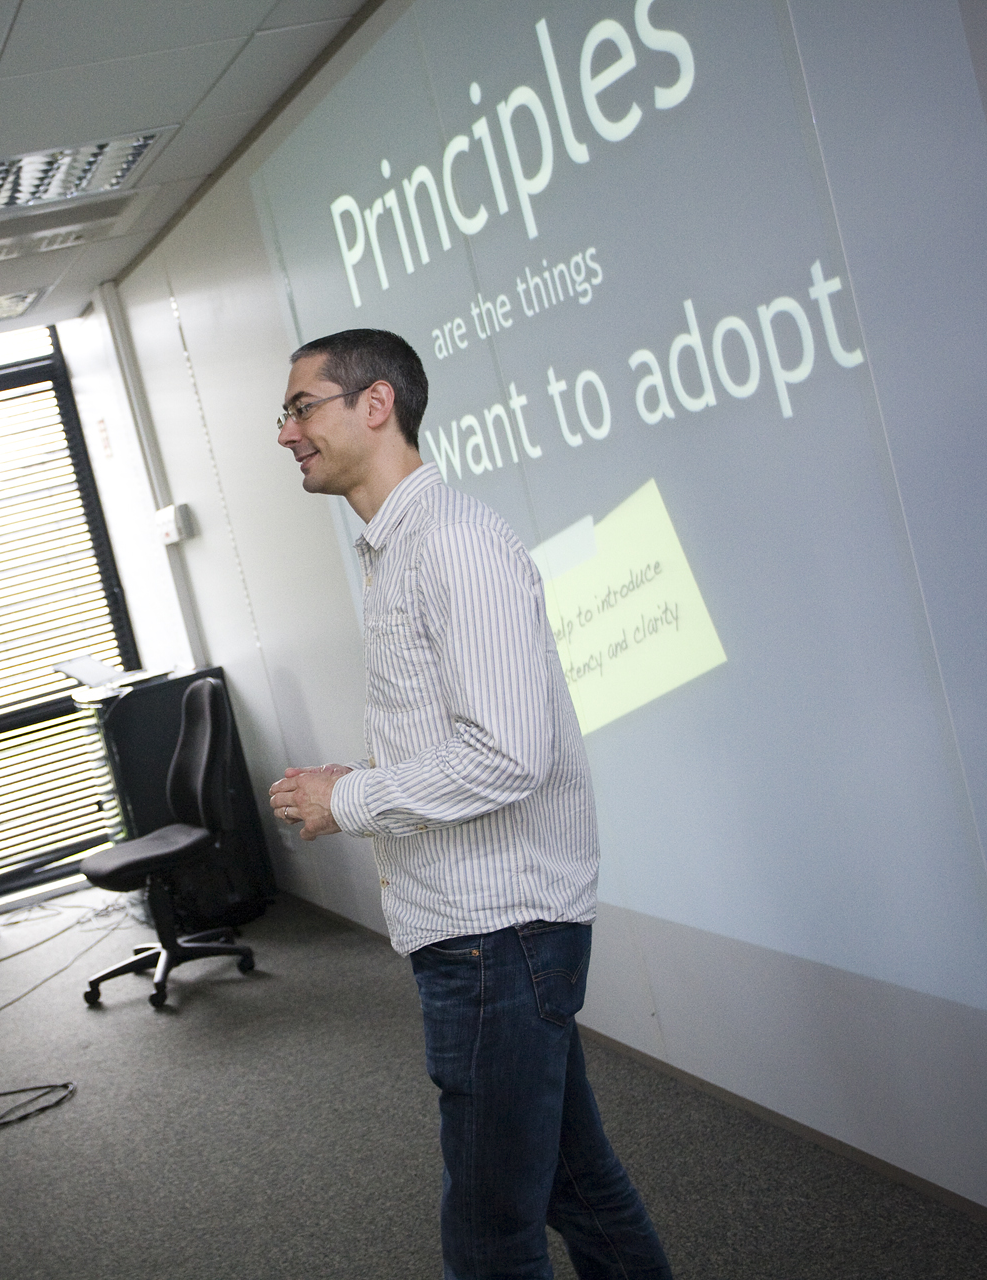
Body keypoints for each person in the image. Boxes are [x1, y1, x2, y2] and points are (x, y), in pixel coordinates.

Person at [266, 329, 672, 1280]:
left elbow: (509, 756)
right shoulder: (400, 548)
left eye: (300, 408)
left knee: (490, 1234)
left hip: (498, 937)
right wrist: (365, 780)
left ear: (376, 405)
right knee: (577, 1187)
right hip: (488, 932)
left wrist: (349, 798)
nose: (286, 434)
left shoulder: (453, 543)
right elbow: (468, 738)